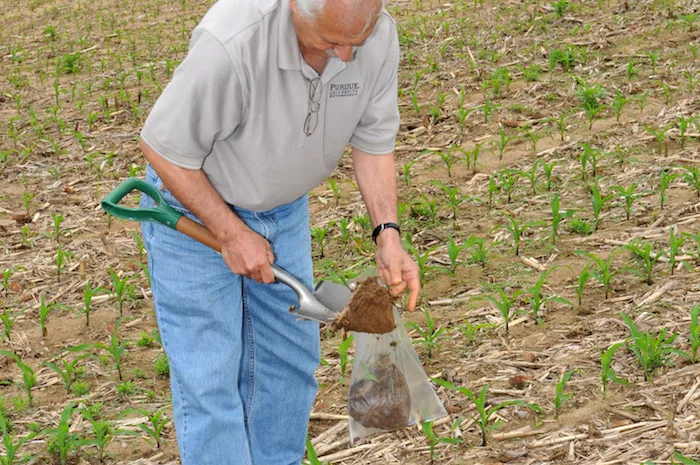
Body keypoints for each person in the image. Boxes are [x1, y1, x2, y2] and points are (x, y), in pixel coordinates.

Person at [137, 0, 419, 462]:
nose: (347, 56)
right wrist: (230, 233)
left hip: (282, 213)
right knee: (210, 379)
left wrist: (387, 234)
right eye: (331, 42)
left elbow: (373, 142)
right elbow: (163, 149)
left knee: (289, 362)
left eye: (358, 41)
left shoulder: (376, 35)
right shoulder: (232, 43)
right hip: (195, 212)